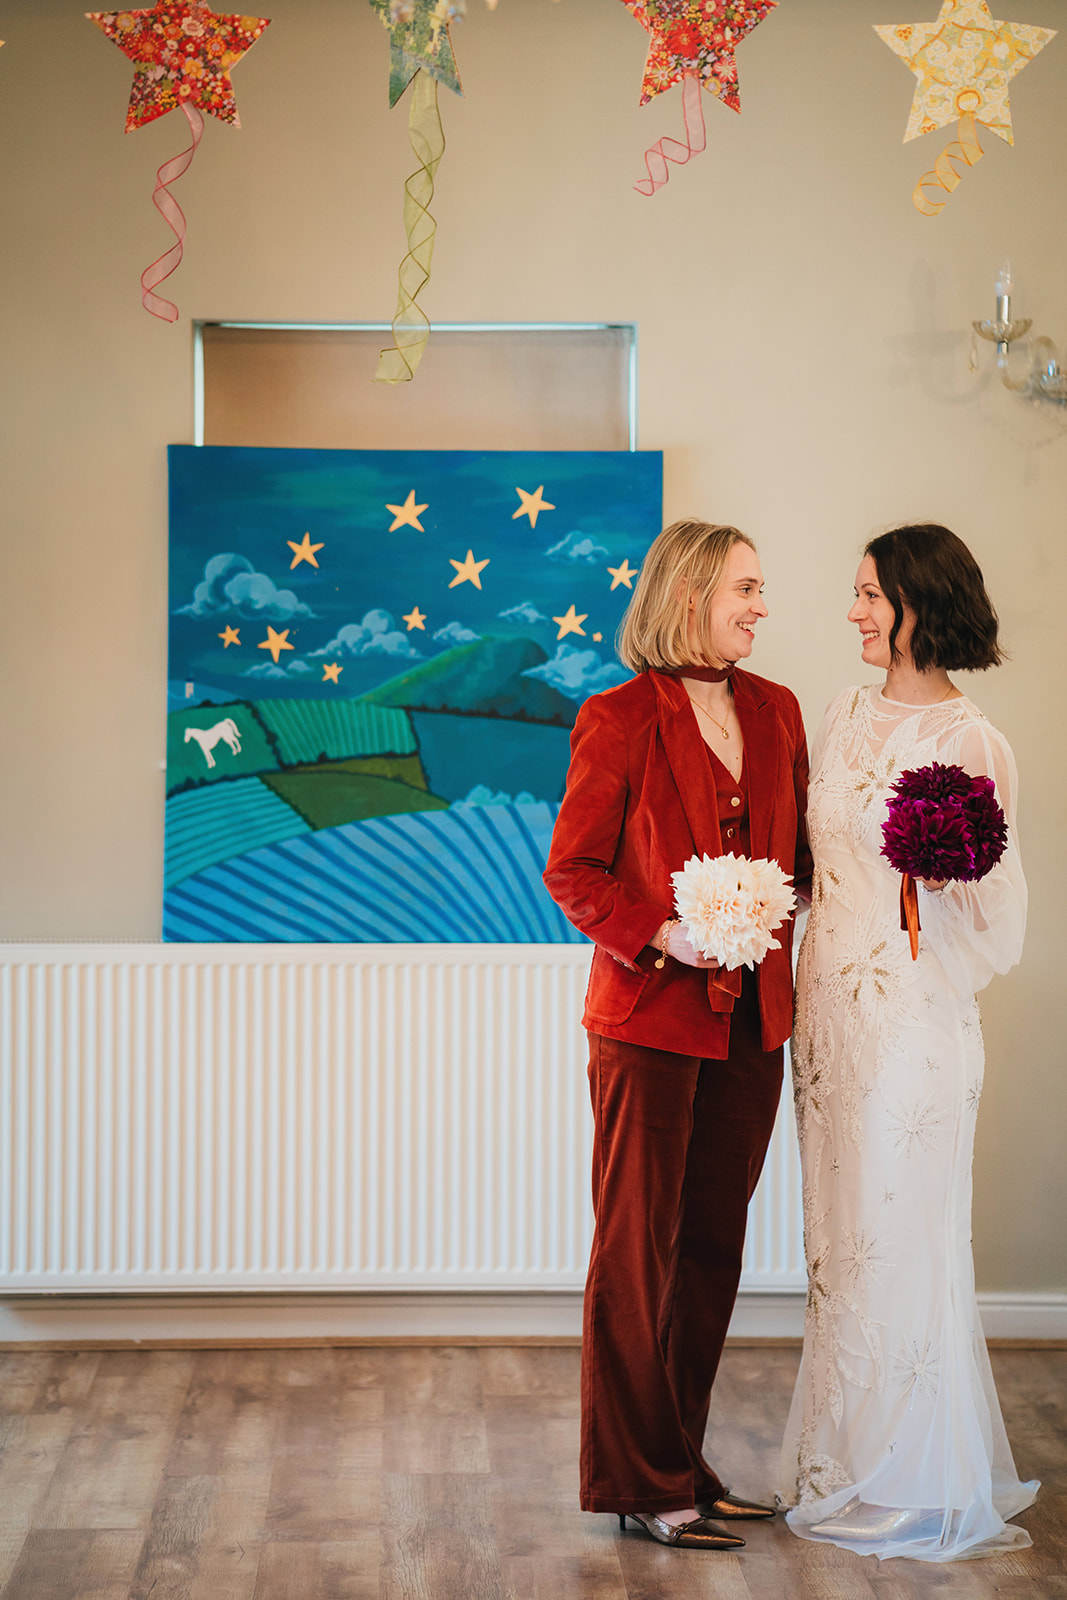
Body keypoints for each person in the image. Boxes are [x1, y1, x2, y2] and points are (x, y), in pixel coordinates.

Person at [543, 519, 811, 1550]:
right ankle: (637, 1480)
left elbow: (802, 863)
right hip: (646, 1024)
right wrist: (661, 933)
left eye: (758, 588)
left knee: (708, 1248)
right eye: (745, 586)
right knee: (635, 1251)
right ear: (690, 593)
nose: (759, 605)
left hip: (754, 1030)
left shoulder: (777, 709)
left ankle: (683, 1461)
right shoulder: (616, 717)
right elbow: (574, 872)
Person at [778, 522, 1037, 1561]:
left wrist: (941, 878)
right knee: (839, 1243)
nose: (850, 610)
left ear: (917, 602)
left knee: (904, 1236)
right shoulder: (839, 712)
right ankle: (845, 1459)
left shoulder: (972, 742)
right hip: (826, 1025)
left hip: (911, 1026)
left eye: (867, 594)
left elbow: (996, 920)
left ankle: (919, 1474)